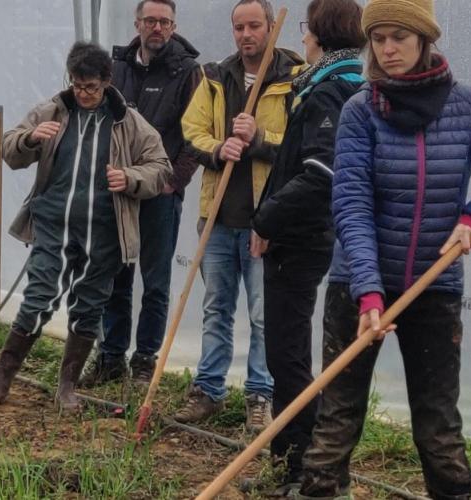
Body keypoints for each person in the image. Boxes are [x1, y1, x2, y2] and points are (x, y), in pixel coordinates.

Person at [295, 0, 471, 498]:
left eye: (398, 37)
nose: (387, 49)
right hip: (357, 290)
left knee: (438, 424)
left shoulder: (466, 105)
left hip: (435, 285)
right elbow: (352, 203)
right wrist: (368, 293)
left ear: (425, 39)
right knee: (337, 418)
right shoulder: (361, 110)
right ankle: (320, 491)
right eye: (378, 38)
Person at [0, 41, 170, 413]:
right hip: (53, 224)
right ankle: (2, 378)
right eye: (77, 85)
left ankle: (67, 387)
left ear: (107, 83)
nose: (82, 94)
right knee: (39, 295)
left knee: (91, 303)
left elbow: (160, 168)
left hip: (105, 230)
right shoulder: (53, 110)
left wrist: (130, 177)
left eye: (91, 87)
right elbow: (9, 147)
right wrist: (31, 138)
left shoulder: (127, 121)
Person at [250, 0, 365, 491]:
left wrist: (267, 216)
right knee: (289, 353)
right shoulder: (336, 85)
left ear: (319, 33)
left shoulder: (328, 92)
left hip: (301, 238)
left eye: (306, 29)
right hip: (311, 233)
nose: (302, 38)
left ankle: (299, 468)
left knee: (287, 356)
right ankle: (293, 464)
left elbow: (321, 171)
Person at [176, 0, 306, 432]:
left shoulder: (294, 78)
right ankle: (209, 390)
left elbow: (301, 144)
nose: (246, 34)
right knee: (215, 307)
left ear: (271, 27)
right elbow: (190, 129)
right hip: (217, 216)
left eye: (254, 26)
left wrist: (258, 140)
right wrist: (217, 148)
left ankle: (259, 394)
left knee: (262, 313)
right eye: (239, 27)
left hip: (265, 220)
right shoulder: (215, 76)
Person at [79, 0, 201, 388]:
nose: (158, 28)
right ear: (138, 24)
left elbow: (196, 134)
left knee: (156, 280)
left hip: (160, 196)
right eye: (151, 21)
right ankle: (112, 355)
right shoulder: (117, 69)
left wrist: (173, 181)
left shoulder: (188, 72)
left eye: (165, 22)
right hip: (119, 192)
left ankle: (144, 360)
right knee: (116, 275)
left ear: (174, 25)